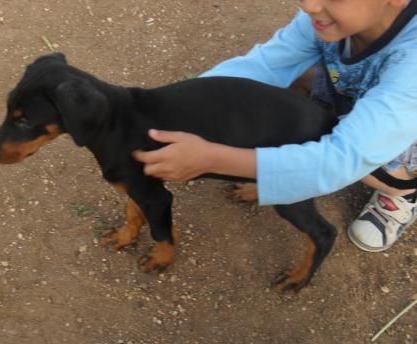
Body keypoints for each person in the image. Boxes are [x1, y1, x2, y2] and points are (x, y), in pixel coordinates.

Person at [133, 0, 417, 252]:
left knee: (367, 164)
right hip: (355, 92)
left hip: (403, 121)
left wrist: (215, 158)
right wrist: (170, 110)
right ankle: (285, 165)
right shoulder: (328, 16)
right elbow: (263, 66)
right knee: (283, 80)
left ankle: (404, 192)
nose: (309, 6)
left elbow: (342, 158)